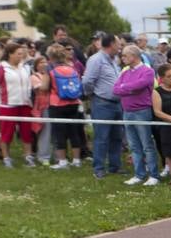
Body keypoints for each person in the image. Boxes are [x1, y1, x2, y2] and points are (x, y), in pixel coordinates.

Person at [111, 44, 160, 186]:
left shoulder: (147, 71)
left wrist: (125, 88)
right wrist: (129, 88)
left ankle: (153, 175)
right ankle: (139, 174)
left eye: (125, 55)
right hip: (127, 112)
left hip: (142, 112)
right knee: (134, 146)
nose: (122, 58)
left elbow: (140, 85)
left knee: (147, 145)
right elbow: (115, 89)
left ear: (134, 56)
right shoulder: (125, 73)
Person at [83, 33, 125, 179]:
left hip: (117, 103)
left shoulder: (114, 60)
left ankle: (115, 166)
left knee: (117, 136)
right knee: (102, 137)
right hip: (102, 103)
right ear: (111, 44)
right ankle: (99, 168)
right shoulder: (96, 60)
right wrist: (93, 95)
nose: (120, 47)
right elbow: (87, 81)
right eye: (118, 44)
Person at [45, 44, 86, 169]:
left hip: (57, 104)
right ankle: (76, 160)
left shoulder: (50, 70)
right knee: (74, 132)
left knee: (59, 133)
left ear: (51, 56)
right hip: (73, 103)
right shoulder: (72, 69)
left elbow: (44, 87)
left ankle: (62, 161)